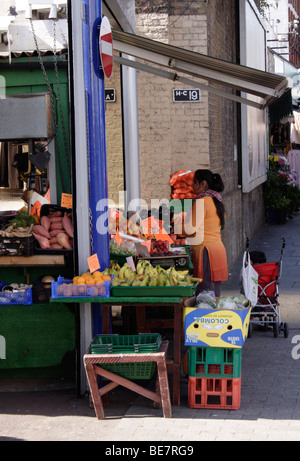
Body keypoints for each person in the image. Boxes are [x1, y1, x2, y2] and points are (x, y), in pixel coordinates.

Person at [183, 169, 228, 297]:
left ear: (203, 184)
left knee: (205, 294)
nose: (192, 186)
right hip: (217, 250)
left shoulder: (202, 201)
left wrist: (175, 227)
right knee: (215, 294)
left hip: (206, 252)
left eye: (195, 183)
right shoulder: (216, 200)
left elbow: (191, 229)